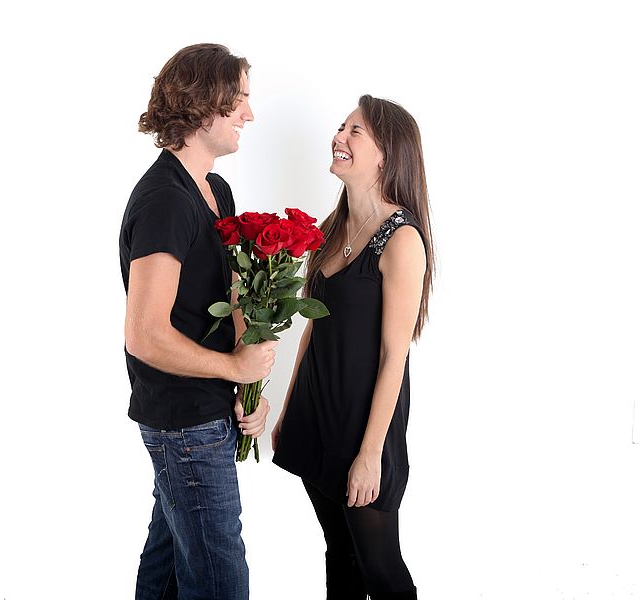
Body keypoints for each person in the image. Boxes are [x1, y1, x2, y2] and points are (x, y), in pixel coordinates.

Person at [119, 43, 276, 600]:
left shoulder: (216, 190)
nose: (248, 115)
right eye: (239, 100)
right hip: (182, 424)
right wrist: (232, 364)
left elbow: (230, 291)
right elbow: (144, 334)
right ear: (203, 102)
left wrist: (247, 383)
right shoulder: (165, 199)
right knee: (218, 579)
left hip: (208, 412)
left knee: (167, 567)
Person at [272, 95, 434, 600]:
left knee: (382, 572)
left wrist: (369, 455)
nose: (339, 137)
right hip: (314, 417)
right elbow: (312, 328)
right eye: (342, 127)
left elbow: (394, 357)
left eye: (354, 131)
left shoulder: (402, 239)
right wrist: (286, 412)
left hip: (365, 430)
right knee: (338, 554)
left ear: (386, 153)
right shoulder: (330, 229)